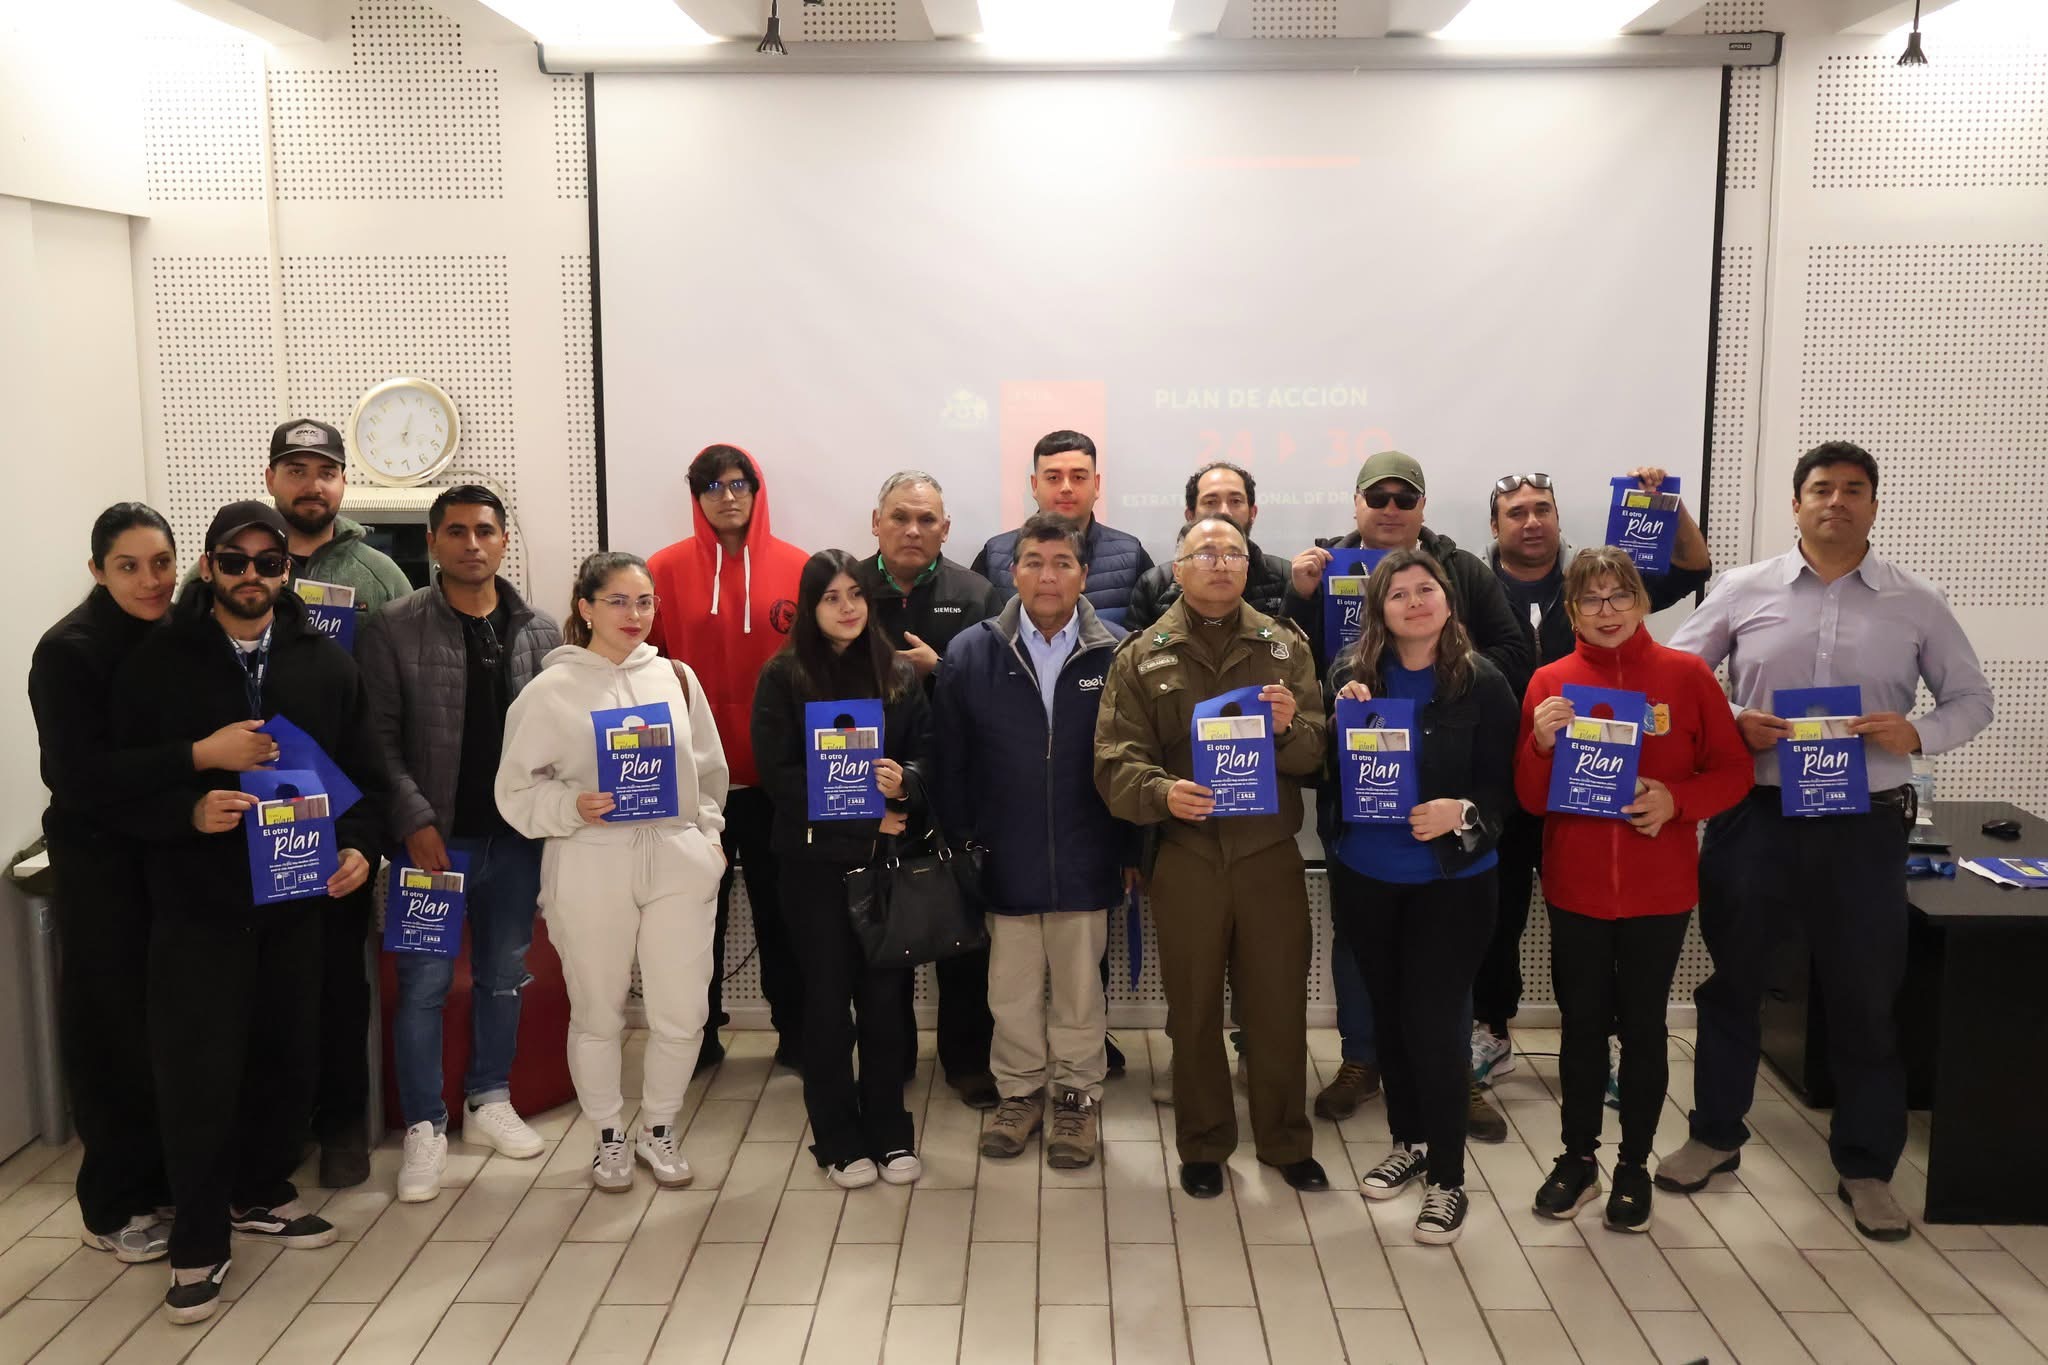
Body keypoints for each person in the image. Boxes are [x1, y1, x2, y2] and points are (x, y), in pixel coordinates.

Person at [1663, 442, 1992, 1242]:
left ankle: (1866, 1165)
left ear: (1873, 505)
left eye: (1853, 490)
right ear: (1796, 503)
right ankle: (1714, 1135)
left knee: (1863, 993)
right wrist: (1729, 718)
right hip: (1757, 814)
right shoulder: (1745, 588)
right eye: (1821, 489)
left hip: (1864, 824)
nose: (1836, 502)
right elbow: (1674, 673)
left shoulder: (1918, 601)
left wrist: (1917, 728)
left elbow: (1972, 700)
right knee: (1735, 981)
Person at [111, 500, 385, 1324]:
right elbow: (114, 786)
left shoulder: (325, 664)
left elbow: (364, 775)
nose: (253, 576)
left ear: (289, 571)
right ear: (208, 567)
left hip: (296, 905)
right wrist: (186, 814)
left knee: (282, 1056)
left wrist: (359, 850)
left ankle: (260, 1192)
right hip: (198, 909)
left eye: (270, 562)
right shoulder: (157, 663)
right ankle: (198, 1237)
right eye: (236, 561)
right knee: (198, 1073)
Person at [30, 505, 280, 1267]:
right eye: (130, 566)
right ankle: (111, 1204)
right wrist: (199, 754)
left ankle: (176, 1185)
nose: (150, 579)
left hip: (174, 855)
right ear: (97, 570)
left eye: (161, 562)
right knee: (112, 1037)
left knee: (173, 1039)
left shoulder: (181, 630)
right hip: (103, 868)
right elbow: (76, 775)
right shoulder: (70, 650)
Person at [178, 420, 416, 1188]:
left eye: (325, 470)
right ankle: (260, 1147)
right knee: (247, 1000)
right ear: (273, 477)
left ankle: (341, 1121)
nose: (310, 483)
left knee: (335, 990)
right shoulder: (212, 575)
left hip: (332, 814)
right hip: (230, 835)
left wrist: (370, 831)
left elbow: (394, 707)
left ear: (342, 483)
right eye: (295, 469)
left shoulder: (380, 573)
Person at [1286, 451, 1532, 1136]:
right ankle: (1364, 1061)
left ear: (1423, 509)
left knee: (1444, 969)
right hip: (1364, 830)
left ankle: (1452, 1075)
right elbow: (1297, 667)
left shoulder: (1465, 578)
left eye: (1406, 497)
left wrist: (1449, 673)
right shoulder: (1324, 583)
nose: (1391, 508)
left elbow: (1514, 656)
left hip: (1450, 836)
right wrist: (1352, 695)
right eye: (1378, 496)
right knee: (1366, 956)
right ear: (1356, 503)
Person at [1513, 546, 1752, 1233]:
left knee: (1644, 1029)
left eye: (1620, 596)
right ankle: (1578, 1158)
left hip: (1660, 889)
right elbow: (1531, 799)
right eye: (1592, 599)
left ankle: (1633, 1164)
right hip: (1576, 886)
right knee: (1582, 1027)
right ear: (1572, 610)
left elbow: (1733, 772)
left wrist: (1676, 801)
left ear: (1644, 602)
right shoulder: (1549, 683)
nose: (1608, 611)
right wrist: (1538, 742)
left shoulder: (1686, 675)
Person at [1095, 513, 1329, 1199]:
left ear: (1249, 566)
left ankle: (1287, 1139)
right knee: (1191, 1009)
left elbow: (1317, 753)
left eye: (1232, 551)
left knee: (1278, 1004)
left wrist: (1289, 729)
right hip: (1188, 855)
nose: (1220, 562)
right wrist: (1165, 794)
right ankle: (1202, 1143)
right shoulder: (1142, 654)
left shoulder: (1286, 648)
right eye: (1205, 552)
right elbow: (1113, 763)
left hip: (1268, 855)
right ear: (1177, 566)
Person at [495, 552, 729, 1195]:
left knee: (682, 1012)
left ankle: (658, 1127)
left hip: (676, 860)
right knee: (598, 1010)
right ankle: (606, 1134)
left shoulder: (676, 680)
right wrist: (571, 808)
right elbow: (514, 793)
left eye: (645, 602)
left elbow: (709, 773)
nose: (634, 615)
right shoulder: (550, 691)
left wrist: (706, 840)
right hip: (589, 860)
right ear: (586, 607)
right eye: (619, 602)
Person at [1474, 468, 1712, 1089]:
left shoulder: (1594, 581)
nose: (1531, 520)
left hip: (1591, 792)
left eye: (1542, 509)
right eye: (1516, 512)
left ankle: (1597, 1046)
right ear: (1495, 526)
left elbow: (1693, 561)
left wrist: (1666, 502)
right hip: (1505, 780)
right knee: (1494, 918)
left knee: (1591, 929)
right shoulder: (1469, 585)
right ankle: (1491, 1031)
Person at [358, 486, 562, 1203]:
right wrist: (412, 818)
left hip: (515, 839)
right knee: (423, 984)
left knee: (505, 973)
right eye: (455, 531)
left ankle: (488, 1098)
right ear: (433, 541)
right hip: (431, 844)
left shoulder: (542, 630)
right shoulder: (393, 627)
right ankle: (423, 1124)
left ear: (505, 540)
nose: (471, 543)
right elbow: (376, 738)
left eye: (484, 530)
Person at [1327, 550, 1517, 1245]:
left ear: (1447, 600)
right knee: (1392, 1019)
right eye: (1398, 593)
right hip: (1367, 876)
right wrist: (1335, 720)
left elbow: (1506, 787)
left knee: (1437, 1026)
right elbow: (1328, 776)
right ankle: (1407, 1140)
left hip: (1453, 883)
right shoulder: (1351, 676)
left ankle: (1448, 1178)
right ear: (1378, 608)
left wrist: (1462, 812)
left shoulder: (1482, 681)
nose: (1414, 601)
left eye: (1426, 589)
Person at [935, 514, 1134, 1171]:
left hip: (1088, 854)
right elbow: (952, 763)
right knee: (1011, 991)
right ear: (1013, 571)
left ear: (1082, 574)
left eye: (1062, 563)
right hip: (1004, 855)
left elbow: (1137, 761)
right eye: (1034, 562)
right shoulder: (971, 652)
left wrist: (1131, 850)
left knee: (1080, 992)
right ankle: (1018, 1093)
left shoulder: (1118, 653)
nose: (1048, 576)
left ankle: (1076, 1097)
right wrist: (965, 843)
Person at [751, 550, 935, 1189]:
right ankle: (836, 1138)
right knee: (828, 1007)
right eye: (831, 597)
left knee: (887, 1005)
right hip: (812, 869)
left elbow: (928, 756)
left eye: (856, 594)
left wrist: (904, 783)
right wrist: (864, 820)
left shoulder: (898, 673)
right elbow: (777, 776)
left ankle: (890, 1132)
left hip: (887, 868)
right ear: (809, 606)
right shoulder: (783, 675)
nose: (848, 607)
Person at [646, 443, 810, 1074]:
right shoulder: (661, 571)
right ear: (697, 496)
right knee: (692, 921)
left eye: (739, 483)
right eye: (712, 486)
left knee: (784, 916)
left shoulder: (798, 567)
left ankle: (795, 1030)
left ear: (756, 488)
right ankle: (699, 1036)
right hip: (693, 783)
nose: (728, 496)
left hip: (777, 783)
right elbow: (645, 669)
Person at [854, 471, 1000, 1108]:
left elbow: (1001, 693)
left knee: (960, 928)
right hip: (866, 788)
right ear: (876, 521)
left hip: (956, 787)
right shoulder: (845, 588)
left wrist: (938, 674)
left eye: (928, 520)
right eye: (900, 517)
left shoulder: (978, 592)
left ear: (946, 529)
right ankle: (890, 1058)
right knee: (880, 929)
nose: (913, 530)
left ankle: (968, 1060)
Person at [972, 429, 1154, 627]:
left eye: (1078, 477)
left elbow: (1153, 641)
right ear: (1034, 485)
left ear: (1096, 484)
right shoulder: (995, 556)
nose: (1066, 487)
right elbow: (980, 640)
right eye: (1053, 478)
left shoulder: (1131, 556)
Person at [1125, 461, 1291, 631]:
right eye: (1211, 502)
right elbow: (1138, 652)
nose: (1224, 511)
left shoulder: (1285, 577)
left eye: (1235, 501)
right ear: (1190, 515)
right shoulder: (1154, 585)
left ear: (1252, 513)